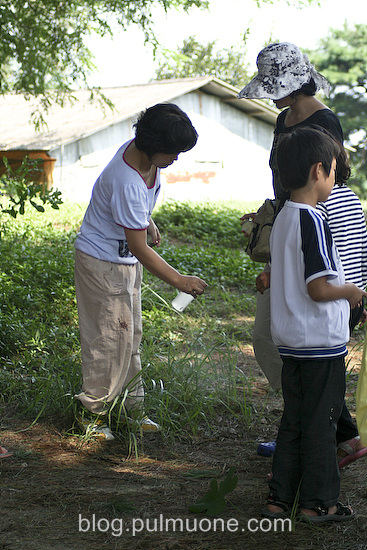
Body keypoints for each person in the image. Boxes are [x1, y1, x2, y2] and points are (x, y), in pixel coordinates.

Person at [238, 42, 367, 466]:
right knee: (270, 341)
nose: (273, 95)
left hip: (313, 243)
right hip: (289, 232)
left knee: (290, 348)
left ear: (295, 84)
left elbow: (322, 193)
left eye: (277, 87)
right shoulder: (282, 118)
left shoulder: (325, 121)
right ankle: (318, 428)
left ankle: (319, 433)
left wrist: (289, 263)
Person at [74, 103, 208, 440]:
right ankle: (92, 414)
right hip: (103, 264)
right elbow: (139, 248)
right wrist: (180, 280)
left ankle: (131, 410)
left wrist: (145, 219)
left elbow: (135, 213)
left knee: (129, 336)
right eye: (172, 152)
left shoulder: (144, 157)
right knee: (107, 340)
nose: (176, 158)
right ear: (151, 144)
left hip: (122, 264)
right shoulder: (126, 180)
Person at [263, 126, 366, 522]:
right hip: (319, 343)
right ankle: (319, 504)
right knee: (322, 426)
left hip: (291, 340)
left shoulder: (284, 217)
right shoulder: (315, 220)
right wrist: (352, 292)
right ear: (319, 171)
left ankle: (279, 499)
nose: (337, 180)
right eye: (336, 171)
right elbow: (321, 288)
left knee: (294, 419)